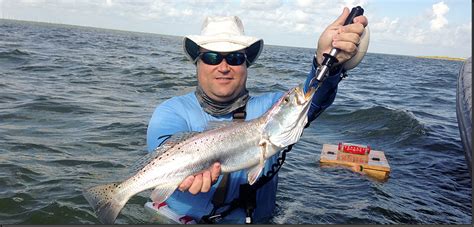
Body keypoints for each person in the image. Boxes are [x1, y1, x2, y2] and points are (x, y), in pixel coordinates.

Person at [147, 7, 368, 224]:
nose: (223, 67)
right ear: (197, 62)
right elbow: (165, 154)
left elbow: (313, 99)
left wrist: (326, 63)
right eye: (212, 57)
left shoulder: (270, 107)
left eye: (234, 58)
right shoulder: (170, 112)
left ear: (246, 64)